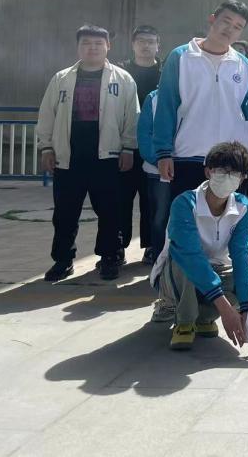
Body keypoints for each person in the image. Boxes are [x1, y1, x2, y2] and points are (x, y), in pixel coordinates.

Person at [37, 25, 140, 282]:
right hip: (69, 157)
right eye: (86, 43)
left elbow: (132, 117)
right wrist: (46, 147)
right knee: (65, 213)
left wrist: (128, 148)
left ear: (108, 46)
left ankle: (109, 257)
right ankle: (63, 260)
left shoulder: (123, 79)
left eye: (97, 43)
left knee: (110, 212)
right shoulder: (61, 78)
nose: (92, 48)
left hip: (107, 157)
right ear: (78, 47)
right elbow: (47, 114)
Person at [153, 0, 248, 202]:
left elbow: (247, 111)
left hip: (230, 161)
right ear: (212, 19)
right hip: (188, 155)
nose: (230, 29)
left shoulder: (242, 63)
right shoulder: (181, 57)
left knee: (228, 219)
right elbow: (166, 107)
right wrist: (163, 153)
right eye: (226, 21)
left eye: (237, 27)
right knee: (187, 217)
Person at [149, 141, 248, 351]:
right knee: (187, 264)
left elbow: (241, 256)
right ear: (208, 172)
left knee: (244, 279)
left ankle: (203, 318)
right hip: (176, 274)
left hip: (217, 269)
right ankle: (184, 321)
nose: (228, 177)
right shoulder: (185, 203)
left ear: (243, 178)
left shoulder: (243, 207)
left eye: (235, 173)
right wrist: (226, 309)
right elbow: (190, 255)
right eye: (222, 171)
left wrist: (247, 311)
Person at [119, 25, 162, 264]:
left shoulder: (166, 72)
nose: (146, 45)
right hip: (125, 146)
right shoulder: (121, 72)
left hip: (155, 148)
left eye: (151, 41)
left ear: (158, 46)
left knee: (152, 200)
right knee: (121, 199)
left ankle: (151, 245)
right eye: (141, 41)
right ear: (133, 44)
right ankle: (118, 246)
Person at [138, 88, 176, 321]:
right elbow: (144, 134)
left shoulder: (190, 92)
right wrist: (159, 159)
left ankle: (177, 267)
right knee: (160, 217)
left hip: (185, 167)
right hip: (157, 171)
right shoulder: (153, 99)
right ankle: (159, 266)